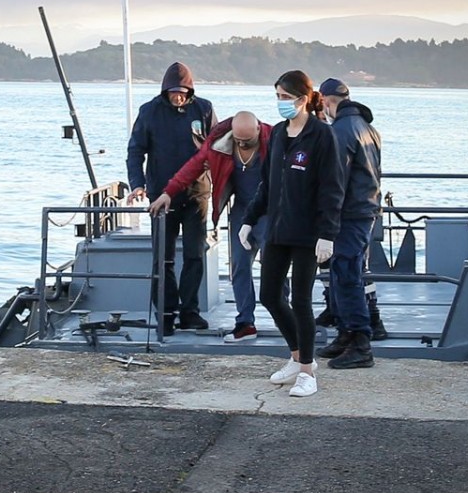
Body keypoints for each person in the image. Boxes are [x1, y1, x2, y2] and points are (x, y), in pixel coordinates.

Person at [239, 70, 344, 397]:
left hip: (308, 234)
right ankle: (298, 357)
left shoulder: (322, 136)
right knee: (270, 295)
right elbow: (267, 184)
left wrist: (327, 234)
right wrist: (249, 218)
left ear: (302, 99)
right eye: (277, 97)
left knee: (300, 300)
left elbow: (332, 188)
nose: (281, 103)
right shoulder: (280, 135)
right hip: (278, 230)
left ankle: (307, 373)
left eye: (285, 98)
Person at [149, 111, 274, 342]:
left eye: (247, 141)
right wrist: (168, 193)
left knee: (274, 267)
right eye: (239, 141)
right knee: (239, 266)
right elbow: (192, 167)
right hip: (242, 212)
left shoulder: (276, 139)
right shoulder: (219, 145)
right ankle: (245, 322)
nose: (242, 145)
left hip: (271, 213)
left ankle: (285, 317)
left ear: (259, 129)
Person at [127, 62, 217, 336]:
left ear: (190, 90)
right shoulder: (149, 111)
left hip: (197, 194)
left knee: (194, 255)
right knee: (162, 259)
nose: (178, 96)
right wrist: (138, 184)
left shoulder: (204, 108)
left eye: (182, 91)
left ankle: (190, 312)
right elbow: (135, 151)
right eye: (173, 92)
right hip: (161, 196)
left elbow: (216, 148)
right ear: (165, 91)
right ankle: (165, 313)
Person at [315, 78, 382, 368]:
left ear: (327, 101)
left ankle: (360, 343)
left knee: (346, 275)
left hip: (348, 214)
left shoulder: (339, 131)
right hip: (365, 209)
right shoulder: (368, 129)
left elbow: (335, 181)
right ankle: (345, 334)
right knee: (345, 273)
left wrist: (325, 222)